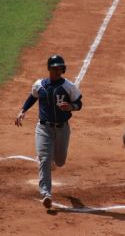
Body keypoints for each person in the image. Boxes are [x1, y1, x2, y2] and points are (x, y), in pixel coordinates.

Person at [15, 54, 82, 209]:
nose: (58, 71)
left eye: (60, 68)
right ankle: (46, 194)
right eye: (55, 68)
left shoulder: (68, 86)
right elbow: (32, 97)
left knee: (60, 161)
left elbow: (79, 103)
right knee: (44, 159)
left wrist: (71, 107)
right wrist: (22, 110)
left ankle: (51, 161)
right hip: (43, 128)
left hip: (62, 128)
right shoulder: (40, 85)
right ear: (49, 69)